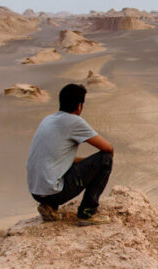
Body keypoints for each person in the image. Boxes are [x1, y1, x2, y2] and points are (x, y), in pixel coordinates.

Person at [26, 83, 114, 226]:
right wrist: (95, 169)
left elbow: (57, 158)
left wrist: (87, 164)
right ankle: (87, 212)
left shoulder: (47, 119)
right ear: (79, 106)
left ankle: (49, 207)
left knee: (58, 168)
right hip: (54, 192)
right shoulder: (74, 121)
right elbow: (108, 148)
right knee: (105, 160)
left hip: (37, 192)